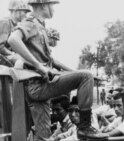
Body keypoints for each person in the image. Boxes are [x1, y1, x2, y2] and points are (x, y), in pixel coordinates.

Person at [7, 0, 108, 140]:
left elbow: (52, 61)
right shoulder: (31, 23)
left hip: (38, 87)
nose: (54, 9)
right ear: (43, 5)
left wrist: (74, 73)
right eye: (52, 5)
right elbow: (13, 40)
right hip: (38, 85)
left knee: (44, 137)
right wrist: (39, 66)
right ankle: (84, 127)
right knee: (85, 77)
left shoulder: (40, 26)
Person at [0, 0, 30, 66]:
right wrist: (13, 54)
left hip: (8, 57)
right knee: (25, 63)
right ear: (16, 11)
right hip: (3, 58)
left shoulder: (16, 25)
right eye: (24, 12)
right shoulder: (5, 22)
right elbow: (1, 47)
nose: (26, 15)